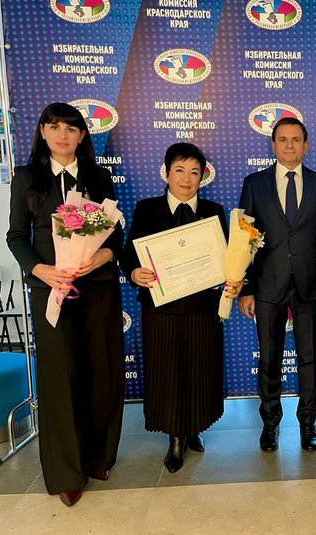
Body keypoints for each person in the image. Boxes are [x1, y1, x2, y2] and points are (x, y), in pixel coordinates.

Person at [6, 102, 125, 507]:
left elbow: (114, 234)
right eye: (54, 126)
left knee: (101, 373)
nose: (62, 134)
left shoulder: (99, 177)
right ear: (42, 131)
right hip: (51, 292)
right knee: (61, 378)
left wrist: (102, 256)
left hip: (98, 290)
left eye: (71, 128)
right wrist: (42, 270)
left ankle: (99, 457)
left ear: (82, 135)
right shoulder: (27, 178)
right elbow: (16, 236)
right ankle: (68, 472)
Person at [121, 143, 241, 473]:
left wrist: (235, 279)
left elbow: (229, 258)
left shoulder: (214, 210)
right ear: (167, 173)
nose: (186, 179)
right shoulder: (147, 209)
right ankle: (175, 437)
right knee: (167, 372)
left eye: (194, 172)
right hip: (161, 309)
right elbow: (128, 254)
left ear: (202, 176)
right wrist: (134, 272)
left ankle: (194, 427)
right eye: (179, 170)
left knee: (201, 370)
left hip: (204, 309)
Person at [238, 117, 316, 453]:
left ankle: (308, 423)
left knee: (309, 358)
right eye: (283, 139)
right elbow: (243, 239)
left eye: (296, 139)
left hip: (310, 286)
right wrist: (246, 288)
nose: (290, 145)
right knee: (270, 359)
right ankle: (270, 425)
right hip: (267, 286)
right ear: (273, 145)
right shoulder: (254, 184)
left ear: (306, 145)